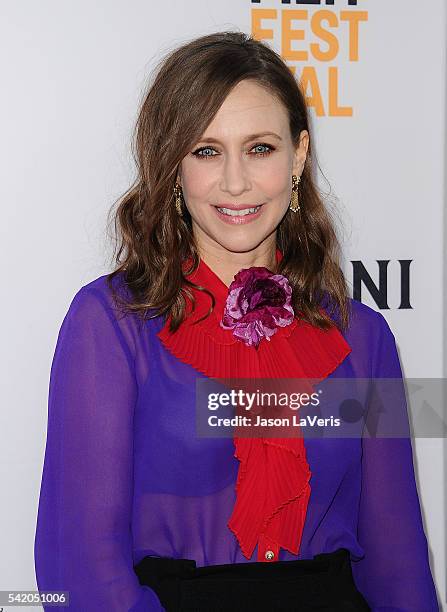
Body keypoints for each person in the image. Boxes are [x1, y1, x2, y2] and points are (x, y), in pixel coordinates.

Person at [34, 31, 439, 611]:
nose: (235, 182)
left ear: (298, 156)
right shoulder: (112, 325)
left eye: (260, 148)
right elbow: (78, 567)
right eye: (206, 151)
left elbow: (398, 563)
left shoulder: (364, 338)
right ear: (172, 165)